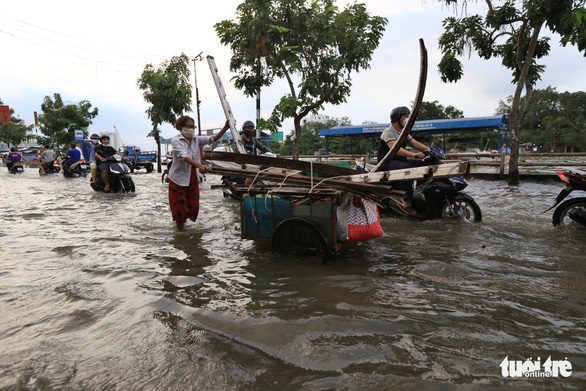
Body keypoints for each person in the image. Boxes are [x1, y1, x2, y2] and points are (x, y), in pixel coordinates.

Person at [168, 116, 230, 230]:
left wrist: (225, 128)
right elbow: (184, 157)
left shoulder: (196, 139)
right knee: (180, 210)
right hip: (177, 179)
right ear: (180, 127)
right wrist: (200, 165)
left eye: (193, 126)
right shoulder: (176, 140)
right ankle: (180, 232)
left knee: (194, 207)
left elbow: (212, 139)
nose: (191, 129)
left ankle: (183, 225)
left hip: (192, 177)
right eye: (188, 126)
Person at [377, 106, 430, 215]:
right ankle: (406, 201)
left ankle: (420, 191)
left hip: (401, 161)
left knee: (424, 165)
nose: (407, 118)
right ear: (397, 118)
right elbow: (396, 149)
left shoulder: (403, 131)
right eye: (405, 116)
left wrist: (430, 150)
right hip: (387, 163)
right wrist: (414, 155)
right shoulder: (388, 132)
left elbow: (415, 143)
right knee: (406, 169)